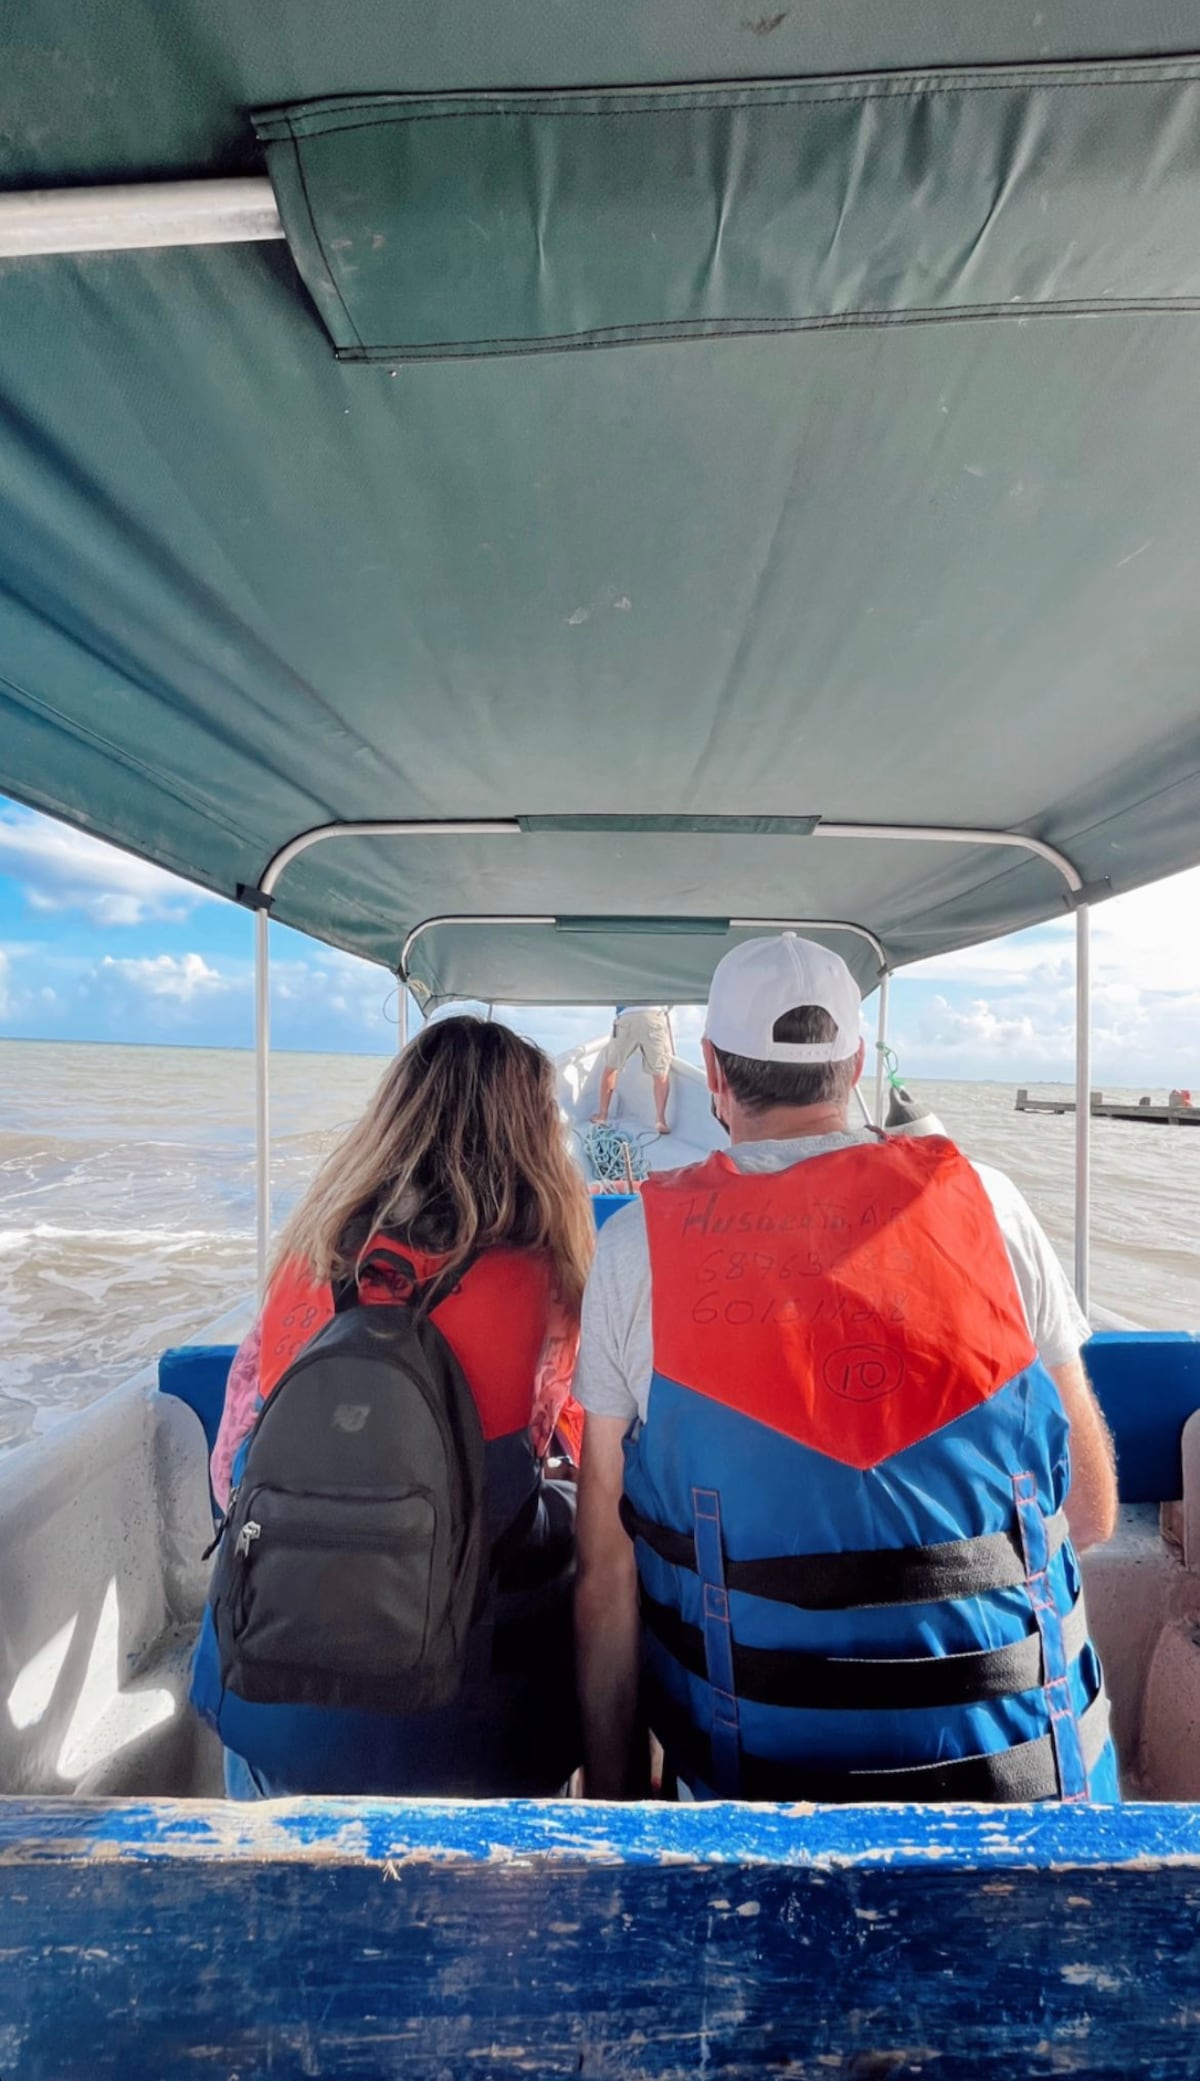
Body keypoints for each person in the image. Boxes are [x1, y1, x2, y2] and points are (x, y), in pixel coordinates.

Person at [574, 934, 1120, 1804]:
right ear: (856, 1062)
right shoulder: (992, 1202)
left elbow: (605, 1571)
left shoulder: (635, 1248)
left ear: (712, 1073)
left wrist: (611, 1812)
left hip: (752, 1816)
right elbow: (1089, 1512)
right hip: (1035, 1808)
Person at [191, 1015, 594, 1797]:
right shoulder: (548, 1282)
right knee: (579, 1520)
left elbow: (228, 1464)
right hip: (467, 1728)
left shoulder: (312, 1255)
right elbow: (555, 1443)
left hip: (267, 1696)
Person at [592, 1005, 673, 1136]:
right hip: (653, 1016)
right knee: (660, 1072)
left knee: (611, 1068)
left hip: (626, 1016)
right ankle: (660, 1120)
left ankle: (602, 1116)